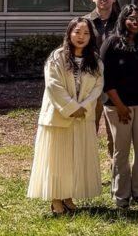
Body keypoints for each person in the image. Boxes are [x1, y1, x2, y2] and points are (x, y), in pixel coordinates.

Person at [27, 18, 103, 215]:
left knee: (75, 158)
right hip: (58, 117)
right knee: (57, 158)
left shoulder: (95, 60)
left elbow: (97, 87)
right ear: (69, 33)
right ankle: (56, 199)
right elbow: (53, 85)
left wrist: (83, 107)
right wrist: (71, 107)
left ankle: (68, 195)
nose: (81, 37)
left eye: (86, 33)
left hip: (82, 117)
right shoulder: (57, 57)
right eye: (77, 32)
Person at [100, 5, 138, 208]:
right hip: (117, 107)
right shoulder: (111, 43)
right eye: (131, 18)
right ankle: (121, 194)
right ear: (123, 20)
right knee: (121, 151)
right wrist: (120, 106)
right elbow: (106, 79)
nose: (136, 22)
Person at [84, 0, 119, 157]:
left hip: (115, 84)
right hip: (90, 83)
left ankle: (116, 173)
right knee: (89, 130)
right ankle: (87, 171)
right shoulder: (84, 23)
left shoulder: (122, 22)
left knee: (116, 134)